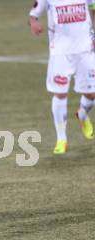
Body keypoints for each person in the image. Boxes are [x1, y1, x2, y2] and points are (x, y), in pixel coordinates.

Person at [29, 0, 95, 154]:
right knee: (60, 93)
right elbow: (33, 15)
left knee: (91, 94)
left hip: (85, 49)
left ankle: (83, 115)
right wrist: (34, 23)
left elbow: (93, 8)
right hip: (60, 51)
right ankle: (61, 139)